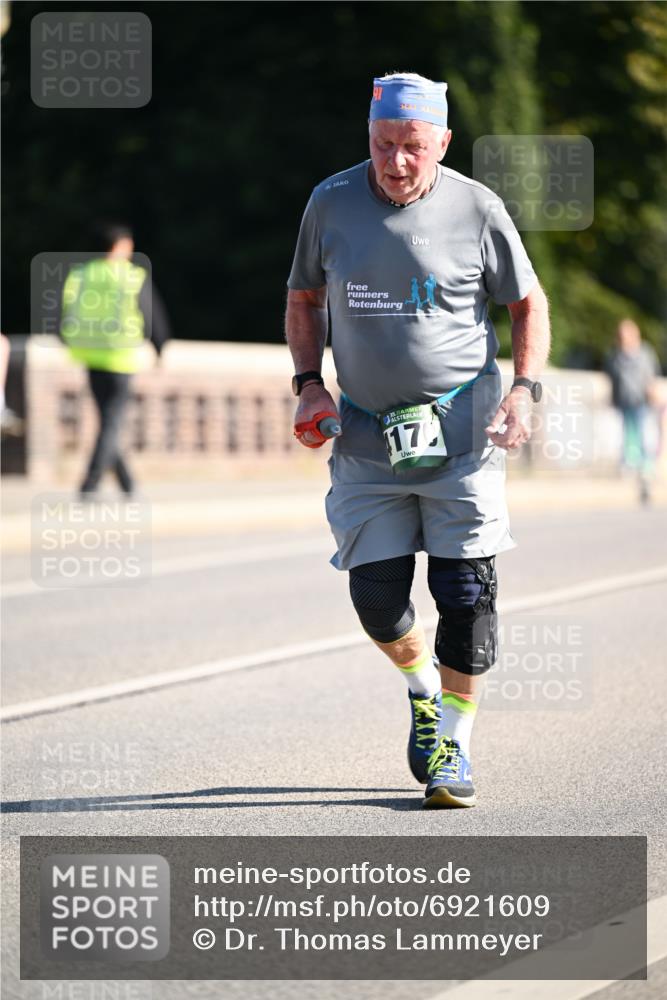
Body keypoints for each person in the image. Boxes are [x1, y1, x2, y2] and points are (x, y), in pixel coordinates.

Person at [286, 72, 550, 808]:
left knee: (463, 595)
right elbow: (302, 297)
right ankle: (422, 690)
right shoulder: (330, 202)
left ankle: (453, 750)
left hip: (463, 434)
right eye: (381, 145)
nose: (395, 162)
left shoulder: (477, 207)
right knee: (376, 598)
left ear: (441, 142)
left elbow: (528, 303)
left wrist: (524, 392)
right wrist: (308, 381)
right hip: (367, 438)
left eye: (411, 147)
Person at [59, 224, 170, 497]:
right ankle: (90, 483)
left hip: (90, 356)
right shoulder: (131, 276)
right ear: (120, 246)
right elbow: (151, 313)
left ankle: (127, 483)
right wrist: (159, 348)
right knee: (111, 422)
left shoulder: (81, 275)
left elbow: (62, 315)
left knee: (108, 420)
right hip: (122, 357)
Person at [605, 318, 661, 504]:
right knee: (628, 433)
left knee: (645, 434)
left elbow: (651, 374)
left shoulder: (645, 352)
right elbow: (613, 379)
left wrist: (652, 391)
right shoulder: (615, 356)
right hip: (624, 400)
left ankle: (646, 467)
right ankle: (629, 464)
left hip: (642, 400)